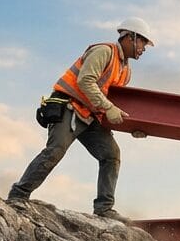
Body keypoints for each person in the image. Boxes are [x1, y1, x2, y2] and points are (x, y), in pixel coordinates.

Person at [9, 17, 154, 222]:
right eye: (143, 42)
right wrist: (108, 107)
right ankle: (19, 194)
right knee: (55, 151)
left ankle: (104, 208)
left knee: (111, 155)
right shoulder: (105, 52)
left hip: (91, 116)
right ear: (130, 37)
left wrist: (134, 126)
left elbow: (113, 104)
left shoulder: (125, 71)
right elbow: (85, 81)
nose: (144, 48)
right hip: (70, 107)